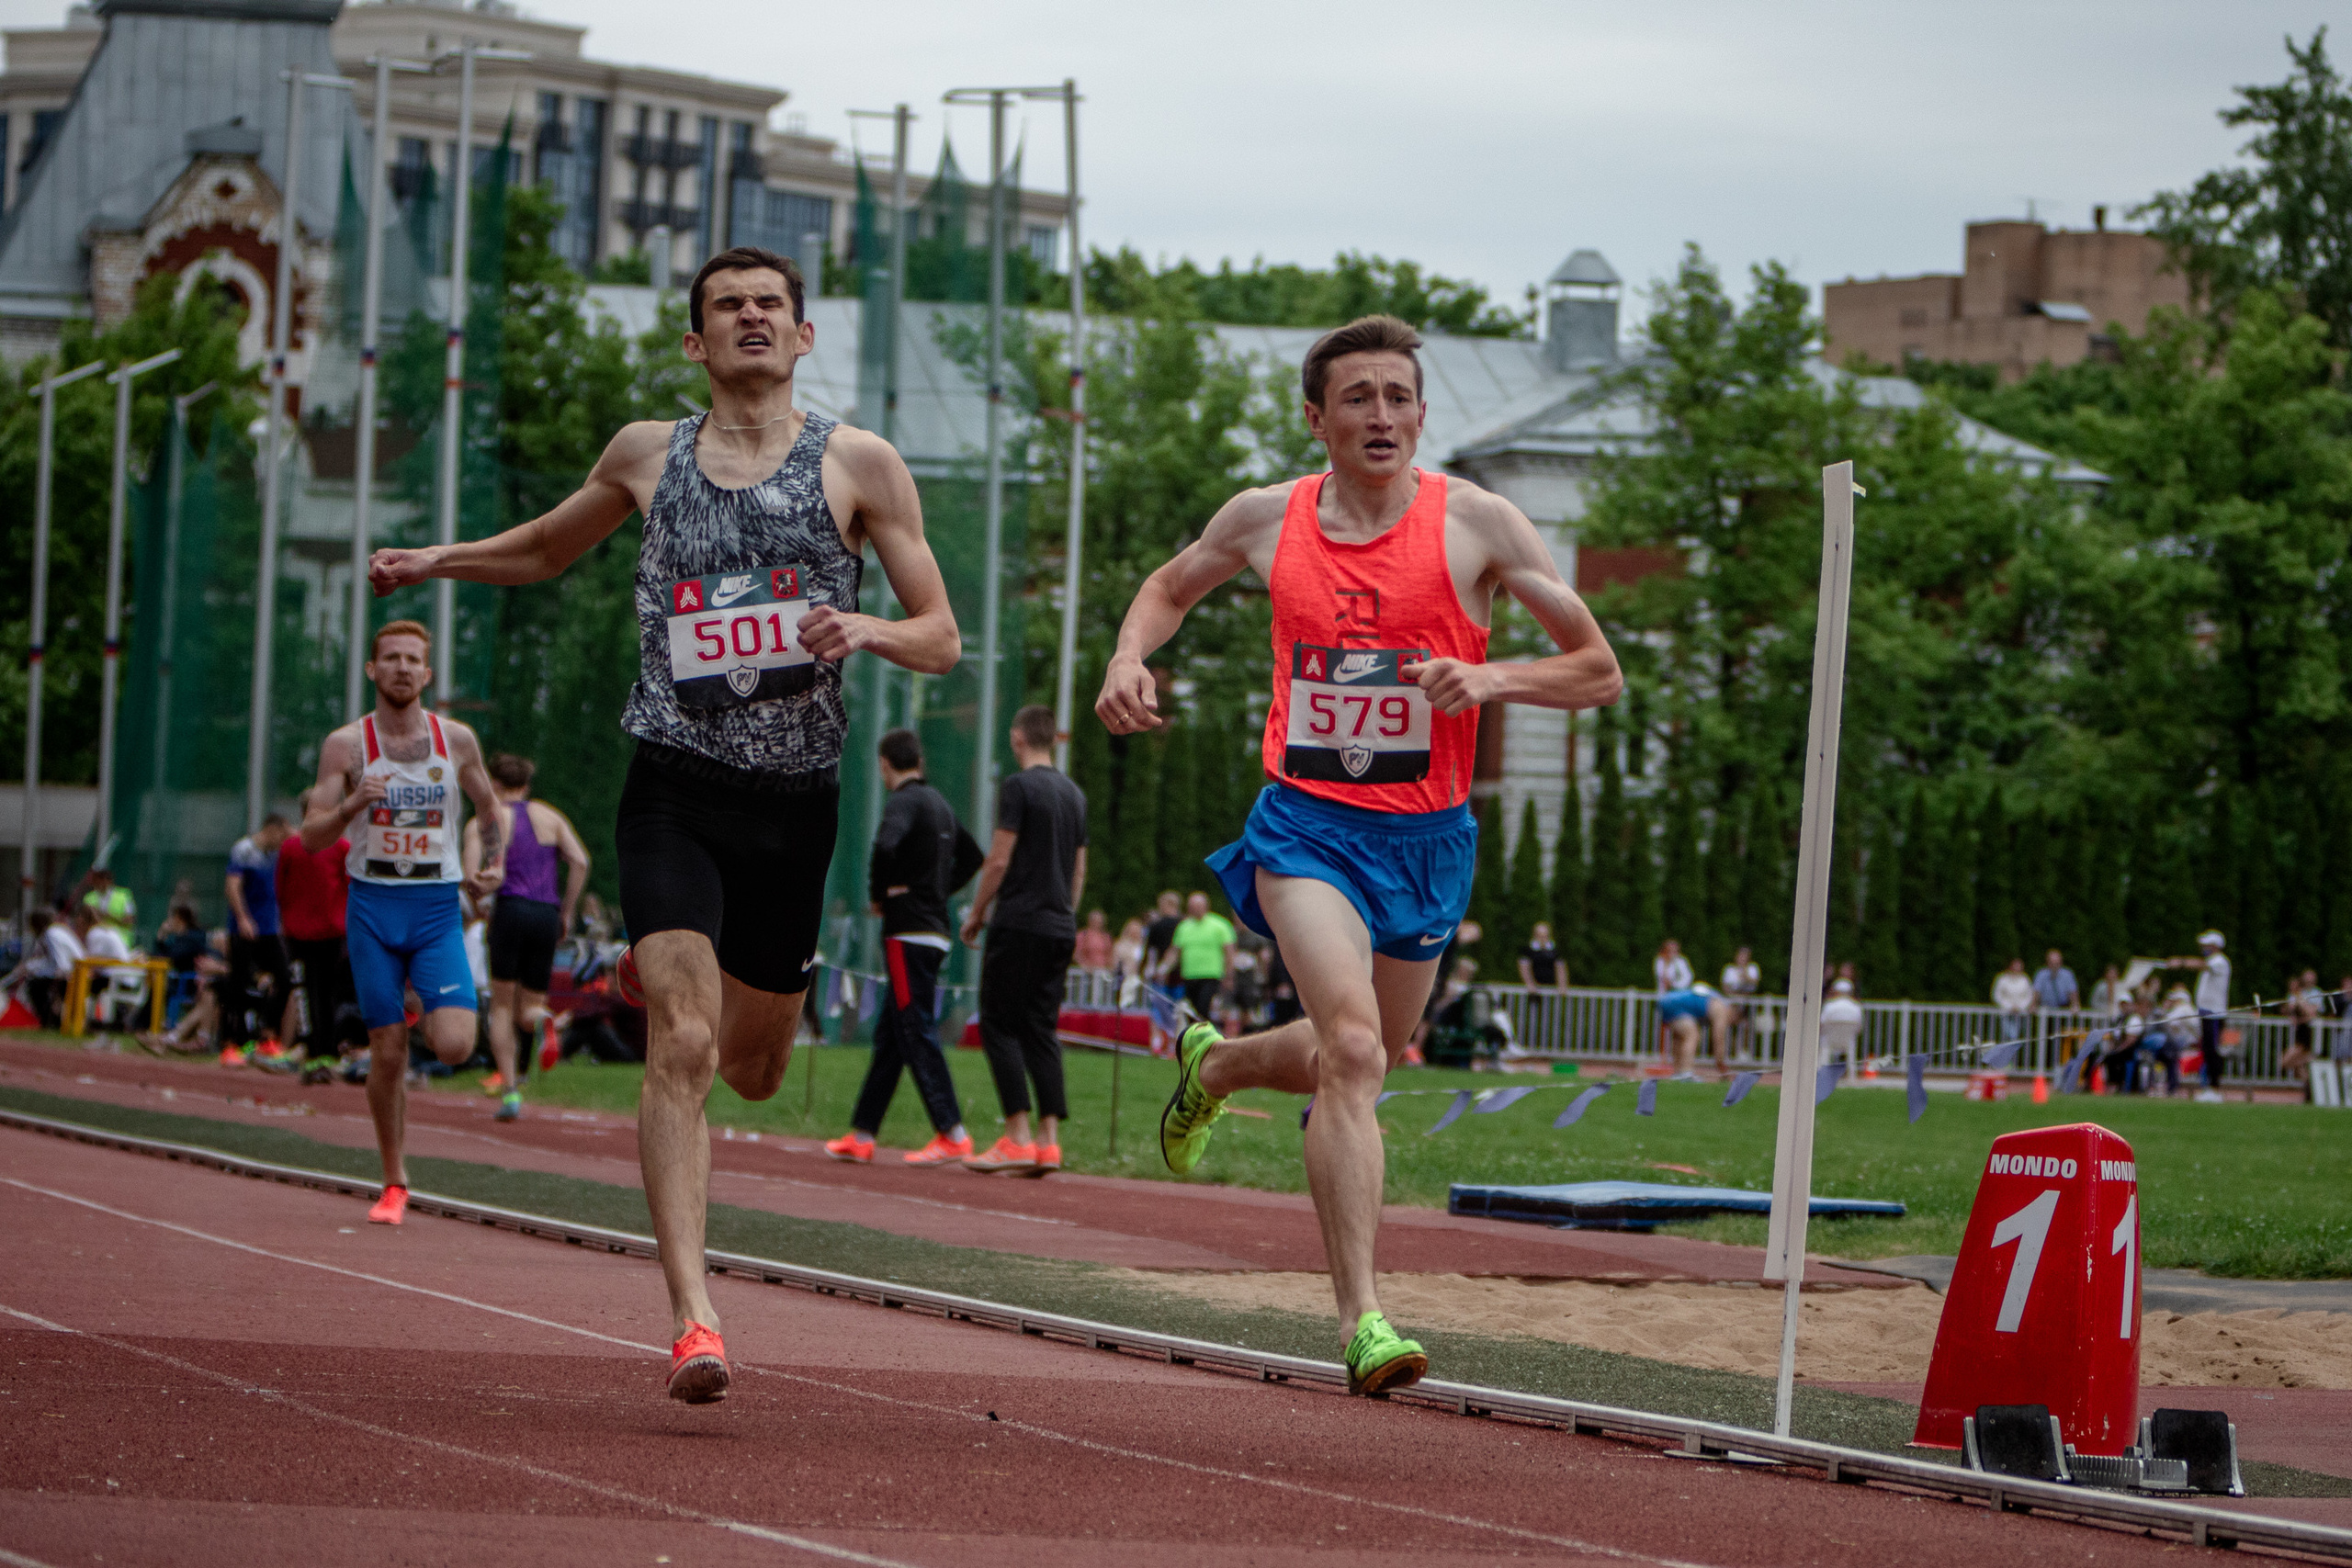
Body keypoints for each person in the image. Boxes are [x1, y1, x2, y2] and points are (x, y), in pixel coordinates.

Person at [368, 245, 959, 1404]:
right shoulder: (650, 452)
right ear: (696, 343)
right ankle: (694, 1317)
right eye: (727, 307)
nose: (750, 319)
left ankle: (686, 985)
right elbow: (546, 547)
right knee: (681, 1044)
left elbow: (939, 631)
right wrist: (435, 559)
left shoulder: (859, 463)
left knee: (750, 1064)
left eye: (769, 306)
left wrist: (869, 632)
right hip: (675, 785)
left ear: (802, 337)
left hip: (793, 807)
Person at [1097, 313, 1621, 1396]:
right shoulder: (1262, 517)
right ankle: (1363, 1319)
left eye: (1398, 397)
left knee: (1368, 1049)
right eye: (1357, 398)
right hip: (1307, 824)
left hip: (1429, 838)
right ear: (1317, 418)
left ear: (1422, 415)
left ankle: (1221, 1064)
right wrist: (1126, 659)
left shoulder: (1479, 524)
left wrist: (1490, 679)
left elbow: (1596, 669)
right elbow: (1166, 587)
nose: (1380, 415)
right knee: (1350, 1048)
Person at [300, 621, 506, 1218]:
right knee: (387, 1050)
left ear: (428, 673)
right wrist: (352, 803)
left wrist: (488, 863)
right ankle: (394, 1179)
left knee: (453, 1045)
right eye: (390, 658)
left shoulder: (456, 740)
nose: (402, 667)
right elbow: (312, 836)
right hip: (373, 906)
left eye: (414, 659)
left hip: (436, 906)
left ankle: (416, 999)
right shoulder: (347, 745)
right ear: (372, 670)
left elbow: (489, 808)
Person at [828, 727, 975, 1168]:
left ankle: (952, 1132)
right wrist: (935, 891)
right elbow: (972, 858)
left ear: (885, 765)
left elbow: (884, 845)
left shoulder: (904, 802)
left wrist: (880, 896)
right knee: (892, 1035)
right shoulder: (940, 804)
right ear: (921, 763)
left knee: (915, 1030)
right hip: (933, 931)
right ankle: (863, 1133)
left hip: (907, 934)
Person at [959, 705, 1088, 1175]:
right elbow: (1078, 869)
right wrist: (1066, 914)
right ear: (1051, 738)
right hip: (1059, 925)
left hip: (1019, 921)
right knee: (1040, 1026)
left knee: (997, 1021)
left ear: (1018, 739)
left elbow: (998, 858)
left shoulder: (1018, 787)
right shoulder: (1074, 794)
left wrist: (977, 912)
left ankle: (1016, 1134)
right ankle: (1048, 1142)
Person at [463, 753, 592, 1122]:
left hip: (511, 910)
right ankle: (544, 1018)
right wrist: (565, 911)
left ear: (495, 784)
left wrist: (480, 893)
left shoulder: (486, 820)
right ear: (527, 785)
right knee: (528, 1007)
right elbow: (580, 861)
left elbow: (472, 877)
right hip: (545, 915)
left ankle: (511, 1091)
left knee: (502, 1006)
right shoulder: (550, 816)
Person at [277, 785, 353, 1074]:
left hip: (303, 932)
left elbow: (281, 889)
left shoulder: (292, 847)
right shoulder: (339, 848)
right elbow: (349, 887)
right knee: (326, 991)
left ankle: (314, 1048)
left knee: (309, 991)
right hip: (329, 931)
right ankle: (324, 1050)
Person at [221, 814, 292, 1052]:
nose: (283, 841)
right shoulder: (244, 850)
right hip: (246, 928)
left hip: (270, 929)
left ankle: (267, 1031)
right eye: (281, 835)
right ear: (271, 829)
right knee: (238, 982)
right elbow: (232, 886)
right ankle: (233, 1040)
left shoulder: (276, 854)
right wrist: (243, 918)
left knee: (285, 978)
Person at [2168, 930, 2232, 1101]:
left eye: (2207, 945)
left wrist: (2180, 962)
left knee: (2213, 1050)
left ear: (2215, 946)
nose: (2204, 948)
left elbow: (2201, 965)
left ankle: (2215, 1088)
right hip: (2206, 1014)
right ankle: (2210, 1088)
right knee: (2208, 1050)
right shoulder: (2212, 962)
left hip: (2215, 1014)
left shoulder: (2220, 962)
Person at [1168, 891, 1238, 1024]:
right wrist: (1163, 968)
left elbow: (1229, 952)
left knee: (1203, 1007)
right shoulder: (1184, 927)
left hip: (1211, 974)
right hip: (1190, 975)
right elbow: (1175, 951)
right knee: (1190, 1010)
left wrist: (1229, 974)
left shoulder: (1219, 925)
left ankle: (1204, 1036)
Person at [1516, 919, 1567, 1051]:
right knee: (1531, 1021)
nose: (1543, 938)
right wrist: (1530, 985)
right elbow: (1524, 967)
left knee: (1552, 1021)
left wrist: (1562, 986)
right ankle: (1527, 1048)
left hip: (1551, 991)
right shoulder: (1528, 950)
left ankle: (1549, 1049)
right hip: (1534, 991)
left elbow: (1560, 968)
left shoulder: (1554, 950)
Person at [1818, 977, 1865, 1076]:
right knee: (1851, 1049)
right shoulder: (1856, 1007)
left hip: (1829, 1040)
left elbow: (1821, 1024)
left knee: (1824, 1049)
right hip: (1848, 1041)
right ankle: (1852, 1075)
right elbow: (1859, 1028)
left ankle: (1822, 1073)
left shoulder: (1829, 1006)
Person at [2281, 969, 2320, 1087]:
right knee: (2299, 1067)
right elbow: (2287, 1012)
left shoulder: (2303, 997)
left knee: (2285, 1062)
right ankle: (2308, 1088)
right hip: (2299, 1034)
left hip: (2306, 1034)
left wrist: (2300, 1005)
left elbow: (2311, 1014)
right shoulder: (2293, 997)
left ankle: (2311, 1063)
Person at [1142, 890, 1182, 994]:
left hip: (1161, 974)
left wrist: (1151, 970)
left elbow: (1151, 951)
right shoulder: (1185, 925)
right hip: (1183, 973)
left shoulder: (1156, 926)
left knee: (1159, 1004)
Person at [1992, 956, 2033, 1042]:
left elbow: (2029, 996)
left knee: (2017, 1037)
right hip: (2005, 1013)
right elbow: (1997, 995)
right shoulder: (2002, 979)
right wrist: (2009, 1007)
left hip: (2020, 1014)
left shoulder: (2025, 979)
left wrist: (2020, 1007)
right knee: (2006, 1037)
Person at [2033, 948, 2080, 1014]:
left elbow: (2072, 992)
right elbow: (2037, 992)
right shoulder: (2041, 974)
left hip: (2063, 1009)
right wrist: (2033, 1005)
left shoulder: (2067, 974)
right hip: (2046, 1009)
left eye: (2057, 963)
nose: (2054, 966)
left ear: (2061, 963)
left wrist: (2075, 1005)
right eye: (2052, 963)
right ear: (2047, 963)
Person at [1073, 908, 1114, 974]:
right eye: (1095, 920)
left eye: (1099, 921)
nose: (1097, 923)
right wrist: (1084, 965)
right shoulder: (1083, 935)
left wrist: (1110, 968)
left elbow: (1110, 954)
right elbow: (1076, 953)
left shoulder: (1106, 937)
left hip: (1102, 971)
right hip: (1087, 972)